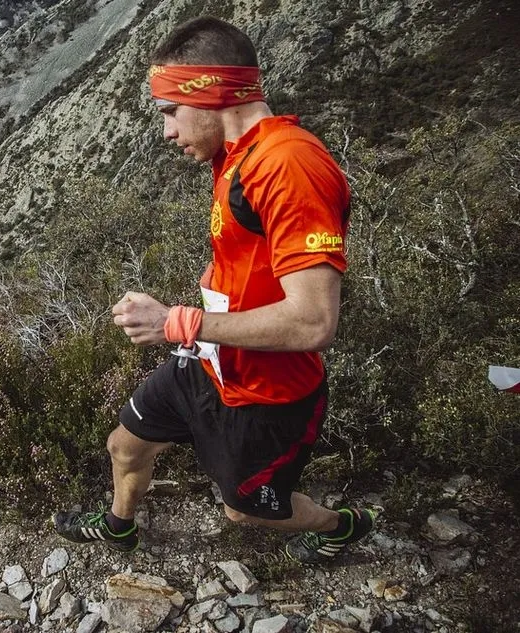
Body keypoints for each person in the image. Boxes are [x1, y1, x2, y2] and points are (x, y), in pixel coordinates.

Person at [52, 16, 376, 564]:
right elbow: (246, 258)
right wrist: (200, 311)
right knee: (125, 445)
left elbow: (314, 321)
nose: (167, 133)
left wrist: (177, 322)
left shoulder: (288, 166)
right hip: (210, 360)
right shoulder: (236, 158)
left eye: (170, 112)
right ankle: (118, 526)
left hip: (267, 396)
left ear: (214, 93)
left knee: (245, 509)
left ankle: (342, 524)